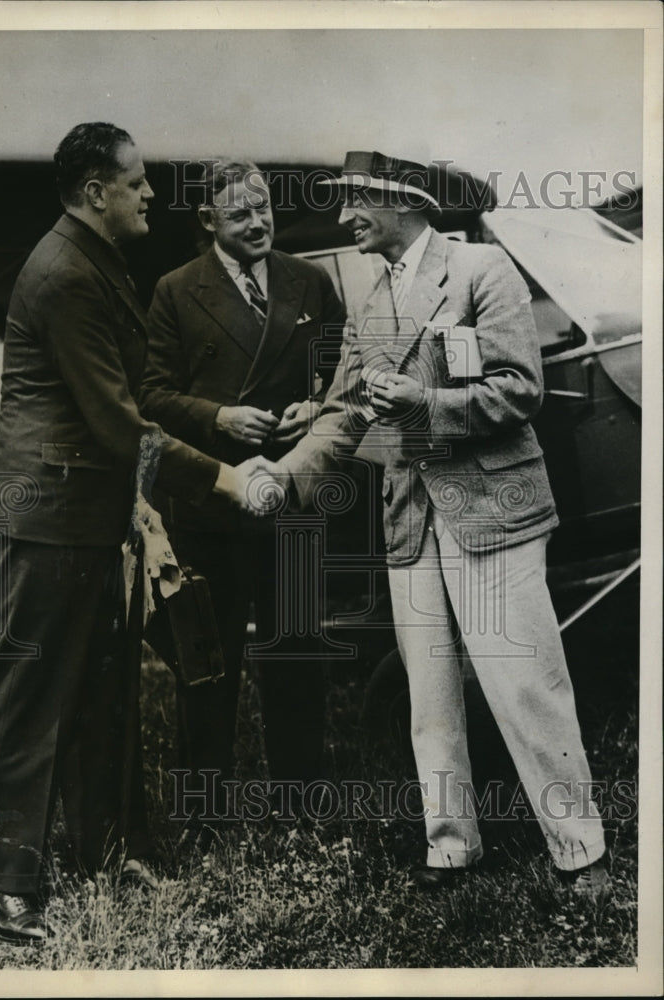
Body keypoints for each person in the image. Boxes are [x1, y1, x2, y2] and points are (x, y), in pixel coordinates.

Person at [268, 150, 609, 895]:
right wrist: (289, 465)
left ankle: (580, 851)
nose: (343, 217)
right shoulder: (370, 297)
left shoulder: (481, 269)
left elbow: (520, 388)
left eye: (354, 200)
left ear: (400, 200)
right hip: (410, 519)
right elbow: (345, 411)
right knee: (428, 694)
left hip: (491, 510)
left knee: (523, 683)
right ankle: (451, 847)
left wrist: (424, 404)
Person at [0, 123, 252, 942]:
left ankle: (110, 850)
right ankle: (6, 884)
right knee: (30, 697)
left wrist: (138, 506)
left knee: (104, 686)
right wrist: (225, 477)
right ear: (96, 193)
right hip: (49, 516)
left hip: (85, 512)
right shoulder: (66, 273)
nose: (151, 194)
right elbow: (115, 421)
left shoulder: (92, 260)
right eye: (136, 183)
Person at [142, 158, 346, 831]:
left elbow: (342, 374)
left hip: (292, 496)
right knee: (207, 662)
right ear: (207, 220)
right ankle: (205, 813)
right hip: (211, 503)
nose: (258, 223)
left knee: (298, 651)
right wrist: (218, 418)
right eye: (239, 214)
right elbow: (150, 395)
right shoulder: (175, 290)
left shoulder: (310, 280)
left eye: (264, 208)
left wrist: (313, 409)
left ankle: (301, 801)